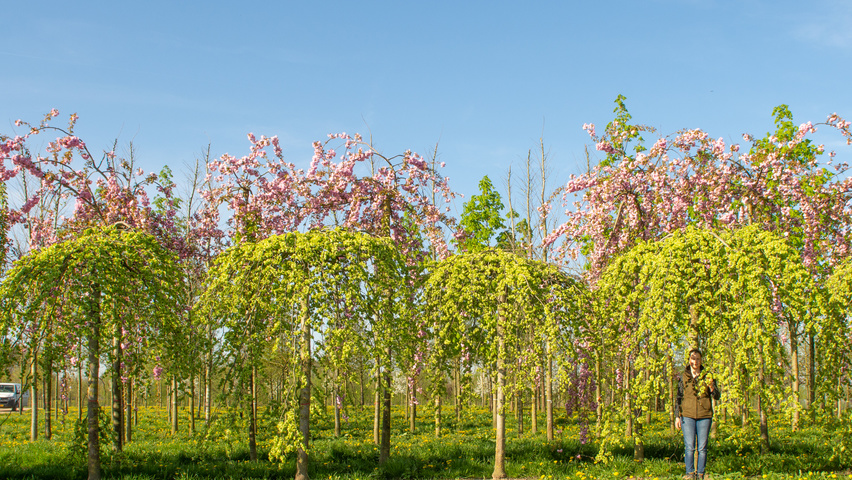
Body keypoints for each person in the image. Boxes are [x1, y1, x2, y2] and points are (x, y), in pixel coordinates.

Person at [675, 348, 720, 480]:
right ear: (689, 360)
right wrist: (677, 416)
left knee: (702, 448)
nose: (695, 362)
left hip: (704, 415)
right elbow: (679, 397)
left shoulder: (708, 376)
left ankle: (700, 474)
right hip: (687, 415)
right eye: (693, 359)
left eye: (698, 359)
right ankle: (690, 474)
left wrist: (711, 387)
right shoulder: (684, 377)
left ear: (701, 360)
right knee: (689, 447)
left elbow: (717, 396)